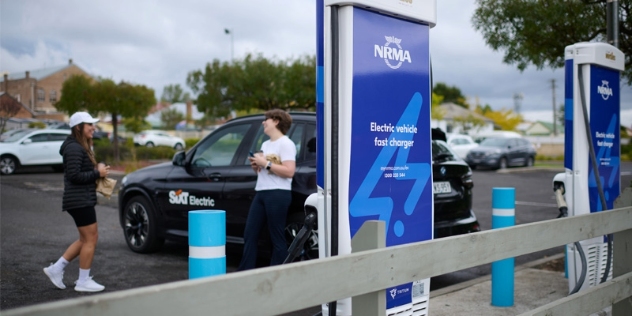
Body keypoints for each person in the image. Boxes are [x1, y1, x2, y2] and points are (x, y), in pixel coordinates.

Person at [43, 112, 109, 292]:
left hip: (81, 198)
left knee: (85, 238)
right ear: (78, 127)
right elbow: (74, 176)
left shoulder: (80, 146)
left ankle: (56, 269)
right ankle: (83, 281)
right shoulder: (74, 148)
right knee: (91, 238)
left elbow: (80, 170)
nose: (93, 127)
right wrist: (97, 174)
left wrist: (98, 168)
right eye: (89, 124)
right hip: (79, 199)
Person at [238, 109, 296, 270]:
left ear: (276, 121)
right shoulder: (265, 144)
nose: (264, 122)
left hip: (278, 193)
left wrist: (266, 164)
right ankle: (245, 271)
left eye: (267, 119)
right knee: (250, 234)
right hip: (262, 191)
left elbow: (290, 171)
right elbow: (264, 171)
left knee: (276, 236)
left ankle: (279, 272)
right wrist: (256, 165)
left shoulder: (286, 143)